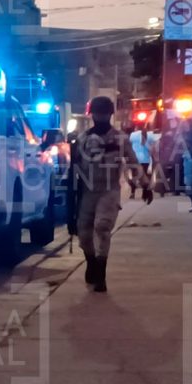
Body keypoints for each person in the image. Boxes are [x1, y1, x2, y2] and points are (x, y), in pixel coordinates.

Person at [68, 97, 149, 293]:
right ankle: (91, 263)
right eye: (97, 113)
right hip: (87, 190)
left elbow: (132, 161)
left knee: (102, 227)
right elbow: (74, 167)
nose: (100, 117)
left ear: (110, 115)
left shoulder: (120, 138)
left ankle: (101, 275)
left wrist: (145, 185)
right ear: (92, 115)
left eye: (104, 113)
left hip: (109, 190)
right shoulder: (83, 139)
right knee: (84, 235)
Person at [128, 122, 156, 199]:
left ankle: (132, 192)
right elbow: (152, 149)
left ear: (136, 127)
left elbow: (129, 146)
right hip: (145, 159)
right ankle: (145, 192)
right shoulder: (150, 135)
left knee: (134, 176)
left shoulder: (132, 135)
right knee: (145, 176)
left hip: (135, 159)